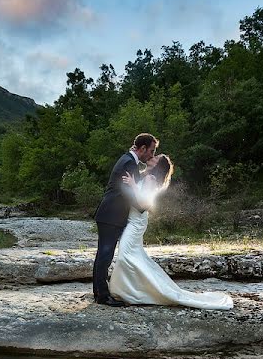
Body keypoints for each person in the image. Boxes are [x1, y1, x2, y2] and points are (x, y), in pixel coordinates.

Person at [108, 154, 234, 310]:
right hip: (134, 221)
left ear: (157, 165)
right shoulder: (148, 177)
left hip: (136, 223)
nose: (152, 158)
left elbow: (144, 204)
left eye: (155, 158)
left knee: (124, 255)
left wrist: (133, 185)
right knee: (133, 255)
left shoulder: (149, 180)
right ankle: (135, 289)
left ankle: (131, 291)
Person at [92, 133, 159, 306]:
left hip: (109, 214)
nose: (151, 155)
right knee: (105, 255)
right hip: (111, 215)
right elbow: (127, 192)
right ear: (142, 148)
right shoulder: (129, 162)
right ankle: (103, 296)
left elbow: (134, 183)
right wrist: (143, 208)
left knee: (103, 255)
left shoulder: (128, 159)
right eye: (151, 151)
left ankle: (98, 292)